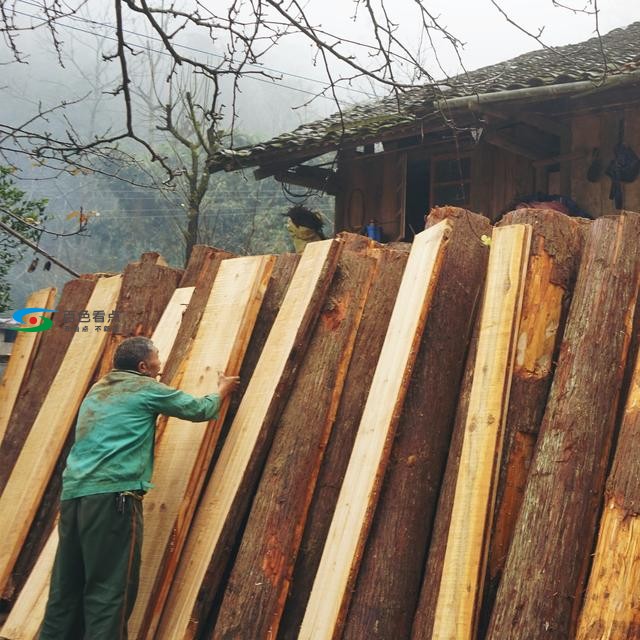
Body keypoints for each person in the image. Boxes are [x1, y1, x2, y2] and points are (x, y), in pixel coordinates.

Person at [39, 336, 239, 640]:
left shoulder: (98, 390)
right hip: (114, 497)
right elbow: (197, 409)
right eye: (157, 359)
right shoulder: (144, 387)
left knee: (66, 584)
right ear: (143, 366)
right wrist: (221, 392)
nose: (161, 365)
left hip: (74, 495)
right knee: (110, 587)